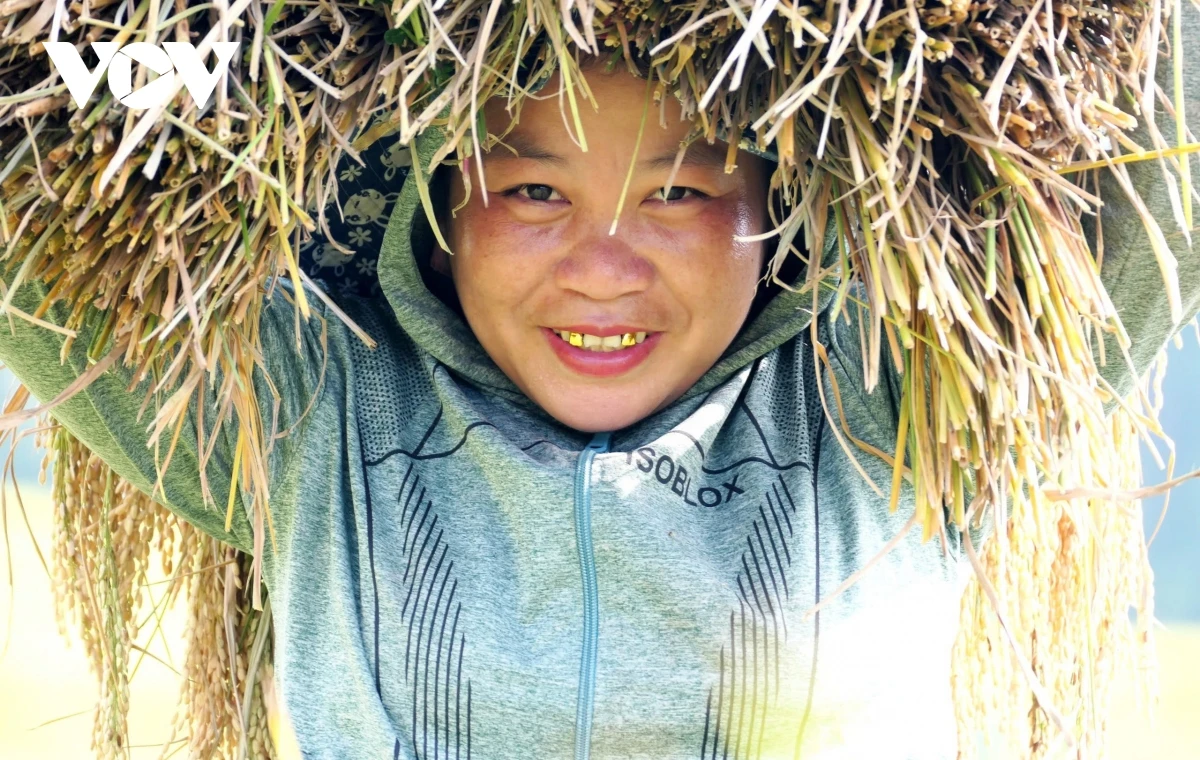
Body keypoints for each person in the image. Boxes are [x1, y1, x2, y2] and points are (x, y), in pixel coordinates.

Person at [2, 48, 1199, 760]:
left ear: (782, 213)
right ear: (439, 205)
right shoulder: (315, 414)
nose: (604, 266)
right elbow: (28, 234)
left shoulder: (899, 410)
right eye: (533, 189)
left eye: (678, 191)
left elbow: (1167, 142)